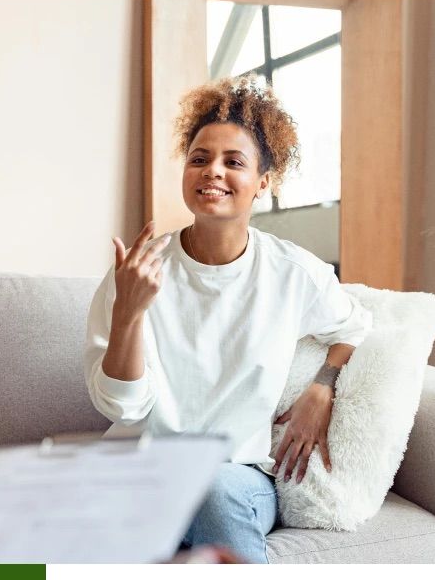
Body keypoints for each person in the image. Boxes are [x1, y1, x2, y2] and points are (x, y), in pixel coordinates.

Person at [83, 74, 373, 564]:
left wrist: (322, 387)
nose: (211, 171)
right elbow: (124, 410)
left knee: (212, 490)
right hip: (142, 469)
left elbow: (353, 328)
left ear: (263, 182)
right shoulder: (137, 272)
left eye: (232, 161)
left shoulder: (293, 273)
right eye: (199, 158)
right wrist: (129, 314)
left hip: (233, 475)